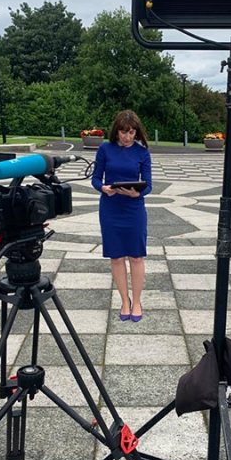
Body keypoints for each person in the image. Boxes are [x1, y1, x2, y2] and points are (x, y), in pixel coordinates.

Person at [91, 110, 152, 322]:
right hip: (110, 207)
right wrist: (103, 188)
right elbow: (96, 179)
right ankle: (124, 301)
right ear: (116, 132)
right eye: (123, 132)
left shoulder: (142, 153)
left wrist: (138, 192)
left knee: (136, 256)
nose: (127, 137)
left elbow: (148, 184)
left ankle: (137, 301)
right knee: (116, 256)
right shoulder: (105, 149)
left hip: (134, 209)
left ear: (136, 132)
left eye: (131, 132)